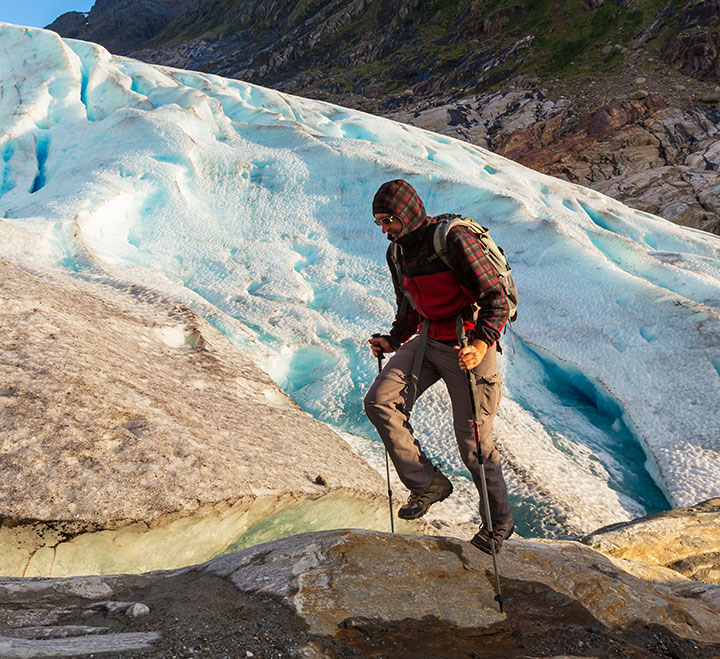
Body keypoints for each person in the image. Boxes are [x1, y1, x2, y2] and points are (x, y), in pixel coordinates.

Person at [363, 179, 514, 553]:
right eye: (379, 222)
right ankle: (427, 483)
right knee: (380, 401)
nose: (384, 229)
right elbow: (409, 306)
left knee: (474, 443)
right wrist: (395, 340)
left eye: (388, 220)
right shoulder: (398, 253)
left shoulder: (453, 239)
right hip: (428, 341)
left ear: (407, 213)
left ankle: (498, 524)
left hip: (467, 344)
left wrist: (481, 344)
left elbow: (495, 298)